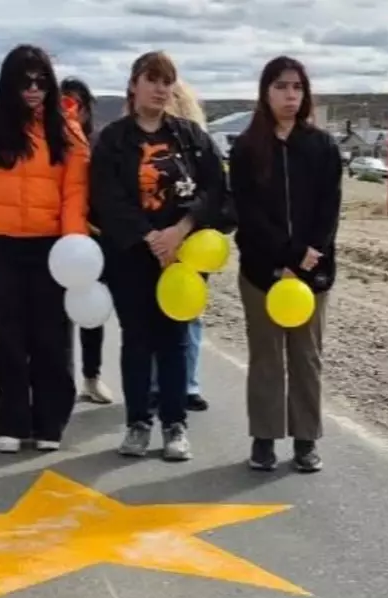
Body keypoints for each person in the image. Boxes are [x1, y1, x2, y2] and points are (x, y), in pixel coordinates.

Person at [90, 51, 228, 461]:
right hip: (132, 255)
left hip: (183, 257)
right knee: (137, 340)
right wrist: (151, 237)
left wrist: (180, 230)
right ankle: (137, 423)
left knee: (175, 340)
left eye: (167, 81)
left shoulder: (190, 137)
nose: (160, 88)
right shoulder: (113, 140)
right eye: (152, 79)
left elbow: (215, 189)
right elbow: (107, 198)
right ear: (134, 84)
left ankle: (174, 425)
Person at [0, 44, 90, 454]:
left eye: (41, 81)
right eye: (24, 81)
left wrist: (72, 248)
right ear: (8, 84)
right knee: (7, 340)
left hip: (51, 250)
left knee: (51, 340)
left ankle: (50, 421)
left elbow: (75, 194)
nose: (33, 89)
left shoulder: (67, 130)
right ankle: (12, 421)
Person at [227, 56, 342, 473]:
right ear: (265, 92)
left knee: (306, 356)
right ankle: (264, 439)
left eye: (297, 87)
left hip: (313, 272)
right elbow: (249, 213)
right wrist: (286, 256)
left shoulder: (323, 146)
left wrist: (308, 255)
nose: (290, 95)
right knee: (266, 357)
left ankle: (306, 440)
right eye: (280, 86)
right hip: (262, 271)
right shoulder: (246, 148)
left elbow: (329, 209)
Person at [148, 79, 212, 413]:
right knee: (158, 311)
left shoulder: (197, 145)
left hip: (193, 242)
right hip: (156, 240)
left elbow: (214, 193)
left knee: (190, 311)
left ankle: (186, 383)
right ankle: (159, 384)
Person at [59, 77, 115, 406]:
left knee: (92, 310)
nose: (70, 109)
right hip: (55, 241)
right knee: (56, 317)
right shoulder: (47, 143)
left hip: (93, 241)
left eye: (75, 103)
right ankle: (58, 382)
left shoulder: (98, 143)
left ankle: (91, 378)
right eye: (63, 102)